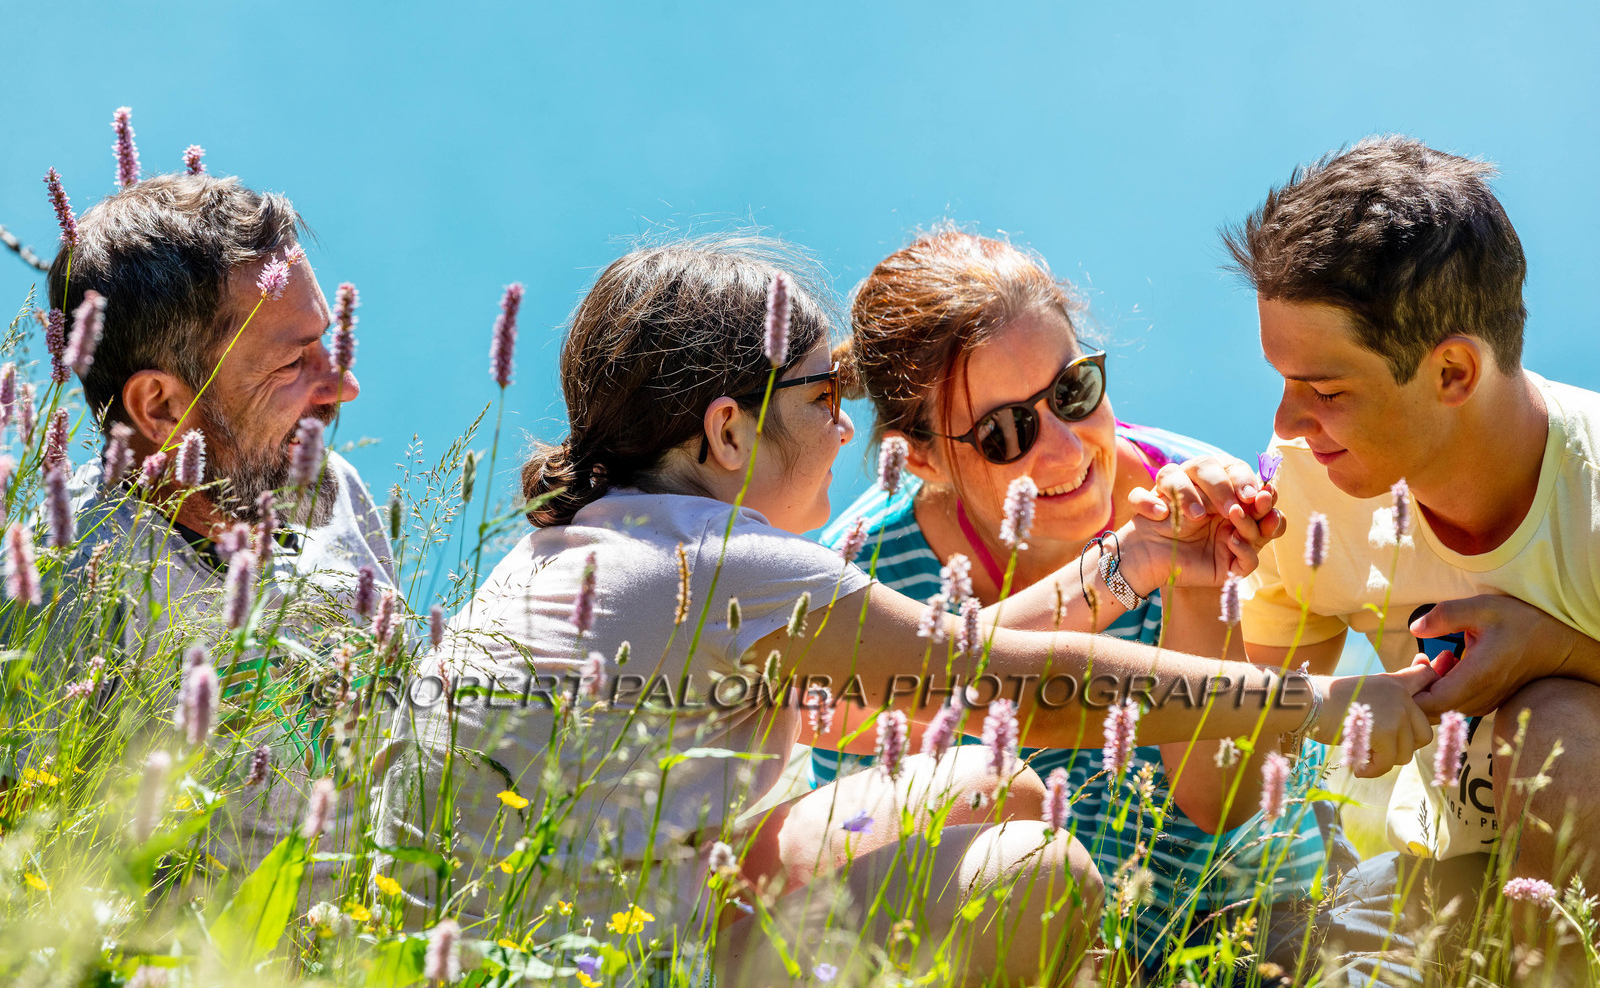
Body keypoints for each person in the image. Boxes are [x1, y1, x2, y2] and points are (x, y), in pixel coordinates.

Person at [373, 235, 1436, 986]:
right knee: (1035, 871)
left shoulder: (589, 546)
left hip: (537, 928)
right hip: (606, 962)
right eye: (821, 398)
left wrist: (1137, 558)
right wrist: (1326, 706)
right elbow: (1026, 688)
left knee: (990, 780)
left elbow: (958, 659)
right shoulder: (731, 568)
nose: (848, 432)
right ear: (730, 434)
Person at [814, 227, 1349, 973]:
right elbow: (864, 821)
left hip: (1232, 927)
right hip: (1009, 944)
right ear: (924, 457)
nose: (1066, 449)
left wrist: (1195, 582)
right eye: (1005, 431)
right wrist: (1124, 571)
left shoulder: (1204, 504)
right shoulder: (866, 567)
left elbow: (1224, 800)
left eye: (1074, 390)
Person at [1231, 136, 1600, 979]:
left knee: (1560, 725)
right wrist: (1192, 580)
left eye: (1326, 391)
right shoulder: (1310, 483)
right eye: (1283, 382)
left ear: (1454, 371)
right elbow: (1244, 764)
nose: (1286, 425)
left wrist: (1557, 653)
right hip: (1432, 887)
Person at [38, 172, 394, 870]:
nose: (344, 386)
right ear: (161, 407)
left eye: (325, 343)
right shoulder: (73, 589)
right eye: (293, 361)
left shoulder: (335, 491)